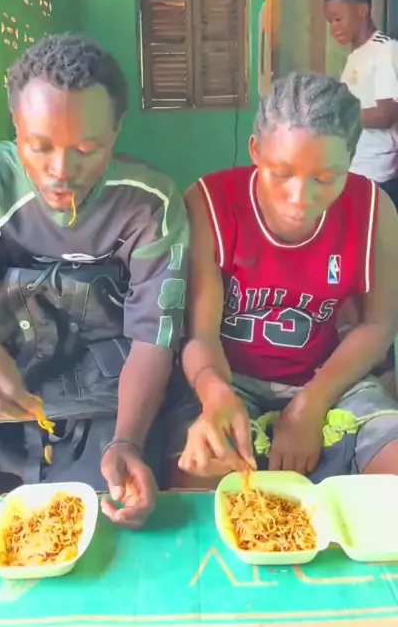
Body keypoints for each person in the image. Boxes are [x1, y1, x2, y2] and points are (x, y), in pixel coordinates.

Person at [0, 34, 189, 528]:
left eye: (87, 148)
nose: (62, 171)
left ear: (116, 130)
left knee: (104, 519)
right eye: (39, 146)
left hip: (106, 405)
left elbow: (154, 337)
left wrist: (127, 440)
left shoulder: (150, 203)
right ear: (15, 124)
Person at [167, 72, 398, 485]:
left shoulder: (373, 211)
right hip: (228, 379)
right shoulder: (209, 205)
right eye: (281, 173)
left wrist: (311, 404)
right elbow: (200, 335)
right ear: (255, 150)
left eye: (324, 178)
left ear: (350, 160)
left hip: (330, 378)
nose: (299, 198)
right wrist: (213, 391)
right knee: (197, 480)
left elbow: (378, 324)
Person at [324, 0, 398, 209]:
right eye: (330, 22)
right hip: (354, 170)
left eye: (338, 19)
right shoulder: (355, 57)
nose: (334, 28)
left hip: (376, 175)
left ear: (362, 11)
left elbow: (385, 115)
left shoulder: (385, 50)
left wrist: (341, 115)